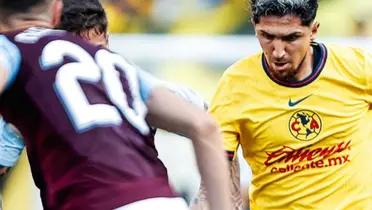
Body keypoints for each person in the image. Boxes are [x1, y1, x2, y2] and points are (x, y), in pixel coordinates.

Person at [0, 0, 232, 210]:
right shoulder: (115, 66)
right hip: (162, 201)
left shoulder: (11, 51)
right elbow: (205, 125)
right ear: (55, 10)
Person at [192, 0, 372, 209]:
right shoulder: (235, 85)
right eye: (267, 36)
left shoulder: (358, 68)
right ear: (254, 26)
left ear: (313, 31)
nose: (278, 52)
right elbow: (214, 179)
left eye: (291, 37)